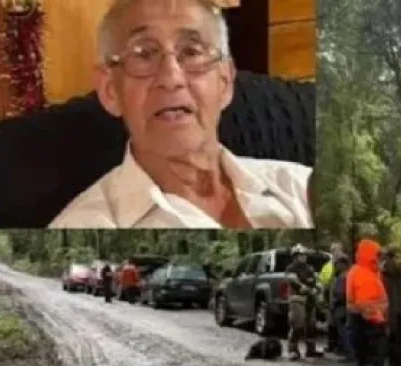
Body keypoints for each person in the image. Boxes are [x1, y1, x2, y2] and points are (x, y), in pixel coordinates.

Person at [48, 0, 313, 229]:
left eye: (191, 52)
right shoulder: (85, 224)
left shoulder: (302, 188)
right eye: (144, 54)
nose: (171, 78)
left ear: (224, 82)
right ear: (110, 91)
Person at [346, 239, 387, 366]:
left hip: (362, 324)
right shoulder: (363, 274)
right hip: (366, 326)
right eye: (377, 255)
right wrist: (378, 320)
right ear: (370, 255)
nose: (380, 258)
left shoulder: (362, 271)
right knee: (366, 363)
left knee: (364, 363)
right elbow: (365, 305)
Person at [284, 246, 323, 361]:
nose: (303, 257)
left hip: (310, 299)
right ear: (295, 257)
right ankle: (293, 350)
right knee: (297, 325)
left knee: (311, 325)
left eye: (304, 255)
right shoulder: (291, 268)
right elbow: (291, 279)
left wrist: (317, 288)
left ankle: (311, 350)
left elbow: (316, 280)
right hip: (297, 299)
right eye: (301, 255)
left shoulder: (310, 268)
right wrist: (302, 286)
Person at [319, 242, 346, 353]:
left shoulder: (343, 263)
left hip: (340, 299)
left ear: (341, 250)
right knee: (331, 323)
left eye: (336, 250)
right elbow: (322, 282)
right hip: (329, 296)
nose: (334, 252)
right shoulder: (327, 266)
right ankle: (331, 344)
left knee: (340, 323)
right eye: (332, 250)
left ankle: (340, 346)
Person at [330, 255, 355, 362]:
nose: (336, 266)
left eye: (338, 264)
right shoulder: (352, 274)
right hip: (350, 306)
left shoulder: (343, 276)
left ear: (344, 264)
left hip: (341, 306)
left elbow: (340, 293)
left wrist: (335, 303)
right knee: (349, 330)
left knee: (343, 330)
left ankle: (349, 353)